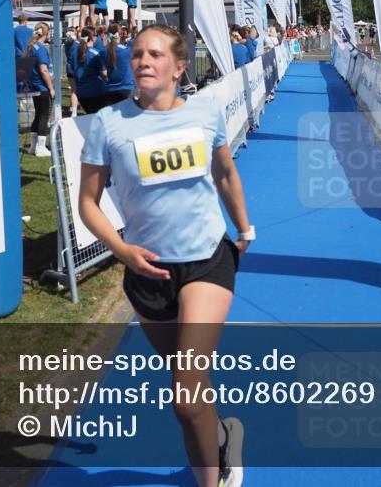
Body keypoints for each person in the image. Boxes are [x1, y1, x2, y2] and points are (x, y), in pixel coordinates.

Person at [78, 25, 252, 487]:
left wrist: (244, 228)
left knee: (184, 397)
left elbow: (226, 173)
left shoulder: (204, 112)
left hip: (206, 262)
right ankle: (221, 437)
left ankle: (209, 481)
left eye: (155, 54)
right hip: (147, 272)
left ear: (178, 67)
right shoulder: (109, 123)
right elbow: (88, 203)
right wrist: (122, 251)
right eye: (136, 54)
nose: (142, 61)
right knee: (190, 385)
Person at [22, 22, 55, 156]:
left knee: (38, 115)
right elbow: (44, 70)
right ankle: (40, 148)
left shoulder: (31, 47)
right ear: (46, 33)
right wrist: (51, 88)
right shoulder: (40, 48)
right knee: (44, 116)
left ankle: (33, 146)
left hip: (34, 85)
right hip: (41, 86)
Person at [73, 26, 108, 113]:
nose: (98, 37)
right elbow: (104, 73)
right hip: (95, 91)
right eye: (96, 35)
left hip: (81, 92)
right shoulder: (95, 53)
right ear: (91, 37)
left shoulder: (76, 53)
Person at [104, 22, 135, 106]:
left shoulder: (103, 51)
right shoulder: (127, 50)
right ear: (120, 34)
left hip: (111, 88)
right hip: (127, 88)